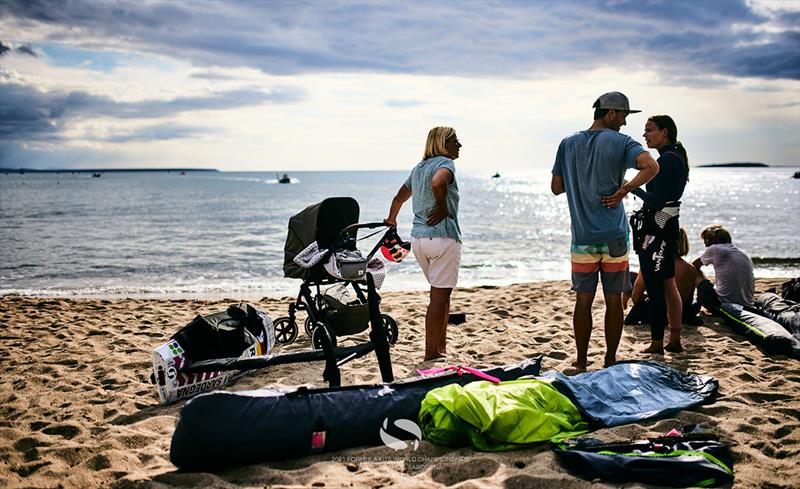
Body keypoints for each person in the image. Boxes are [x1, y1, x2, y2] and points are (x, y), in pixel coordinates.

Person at [552, 91, 659, 371]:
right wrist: (624, 189)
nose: (624, 123)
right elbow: (651, 166)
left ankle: (581, 360)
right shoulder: (622, 142)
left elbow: (556, 187)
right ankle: (610, 359)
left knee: (583, 300)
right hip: (614, 236)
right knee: (614, 300)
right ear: (611, 112)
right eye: (623, 115)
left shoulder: (567, 143)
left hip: (583, 238)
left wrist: (582, 182)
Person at [607, 115, 689, 354]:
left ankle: (657, 344)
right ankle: (674, 340)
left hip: (658, 229)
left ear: (665, 132)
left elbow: (657, 200)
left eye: (650, 130)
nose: (645, 135)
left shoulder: (668, 160)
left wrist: (628, 186)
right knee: (667, 284)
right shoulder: (673, 157)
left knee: (655, 287)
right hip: (667, 225)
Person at [385, 126, 462, 360]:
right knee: (438, 299)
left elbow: (399, 197)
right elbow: (439, 183)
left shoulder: (418, 169)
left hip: (419, 240)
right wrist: (441, 207)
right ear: (442, 144)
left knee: (441, 296)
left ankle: (441, 348)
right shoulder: (445, 165)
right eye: (455, 141)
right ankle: (431, 354)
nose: (459, 145)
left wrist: (391, 220)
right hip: (442, 238)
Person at [625, 227, 703, 327]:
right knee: (694, 304)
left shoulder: (650, 264)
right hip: (679, 315)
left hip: (654, 314)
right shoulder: (691, 269)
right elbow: (687, 299)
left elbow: (636, 297)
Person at [692, 224, 755, 312]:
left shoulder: (715, 249)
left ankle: (692, 303)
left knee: (694, 271)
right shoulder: (742, 253)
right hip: (746, 305)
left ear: (708, 240)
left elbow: (692, 266)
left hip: (723, 305)